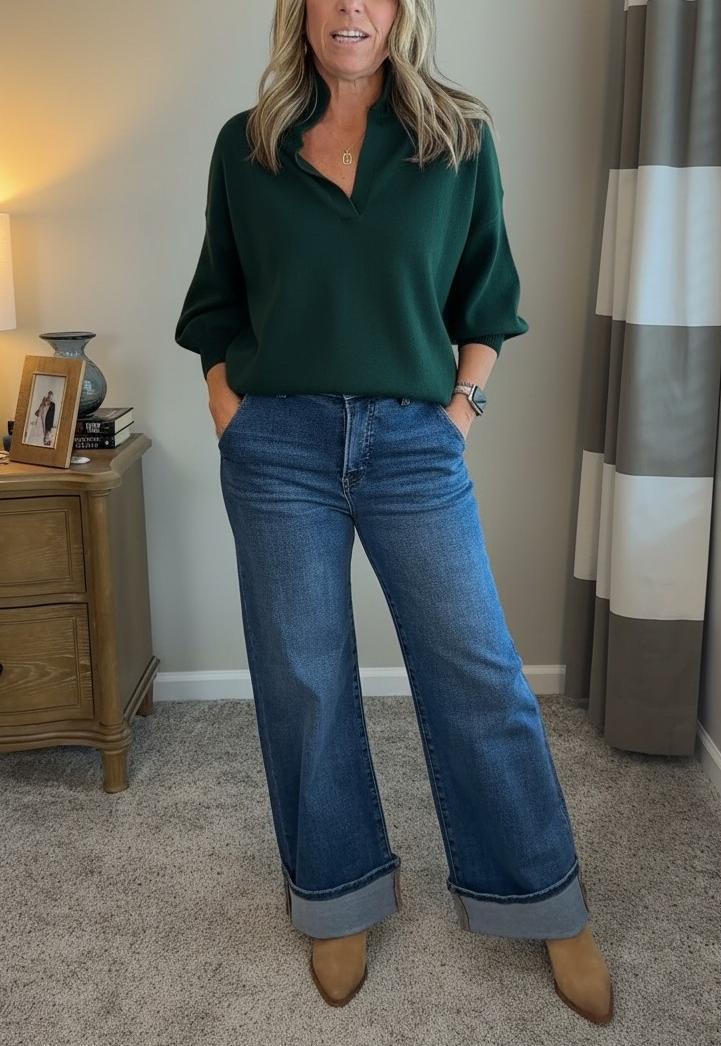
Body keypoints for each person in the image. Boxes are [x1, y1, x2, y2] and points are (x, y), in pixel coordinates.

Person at [174, 0, 613, 1025]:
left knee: (477, 670)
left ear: (401, 11)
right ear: (300, 12)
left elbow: (487, 297)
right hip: (277, 446)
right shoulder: (247, 147)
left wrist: (461, 411)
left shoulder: (457, 139)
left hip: (414, 440)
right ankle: (337, 893)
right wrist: (230, 407)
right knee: (302, 676)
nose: (350, 8)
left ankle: (542, 896)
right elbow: (216, 301)